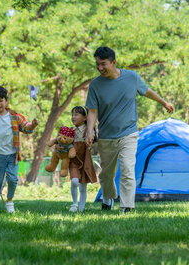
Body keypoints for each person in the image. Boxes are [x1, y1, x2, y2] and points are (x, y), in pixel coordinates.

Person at [85, 47, 174, 213]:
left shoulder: (131, 77)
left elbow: (146, 91)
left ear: (113, 62)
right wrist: (89, 131)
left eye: (103, 64)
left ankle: (127, 206)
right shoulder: (95, 85)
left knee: (127, 169)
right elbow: (92, 111)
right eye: (97, 64)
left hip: (129, 133)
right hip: (106, 135)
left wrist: (164, 102)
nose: (100, 68)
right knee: (106, 174)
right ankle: (109, 197)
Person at [0, 85, 38, 214]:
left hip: (13, 155)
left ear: (6, 101)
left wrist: (32, 125)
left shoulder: (15, 116)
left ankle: (9, 200)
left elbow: (26, 128)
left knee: (13, 179)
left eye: (1, 100)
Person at [66, 106, 97, 213]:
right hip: (74, 161)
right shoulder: (71, 131)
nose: (73, 117)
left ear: (85, 118)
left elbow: (91, 140)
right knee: (74, 182)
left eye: (76, 114)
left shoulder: (88, 131)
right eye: (72, 114)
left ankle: (81, 209)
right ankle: (74, 204)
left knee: (83, 186)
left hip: (85, 161)